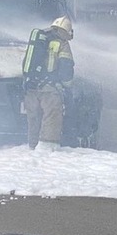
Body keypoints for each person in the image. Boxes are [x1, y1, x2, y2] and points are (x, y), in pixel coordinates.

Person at [21, 16, 75, 150]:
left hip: (31, 86)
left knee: (33, 117)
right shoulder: (62, 44)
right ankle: (47, 147)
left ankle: (32, 146)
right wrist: (67, 86)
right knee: (52, 116)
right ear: (66, 31)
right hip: (49, 89)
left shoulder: (39, 39)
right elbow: (66, 68)